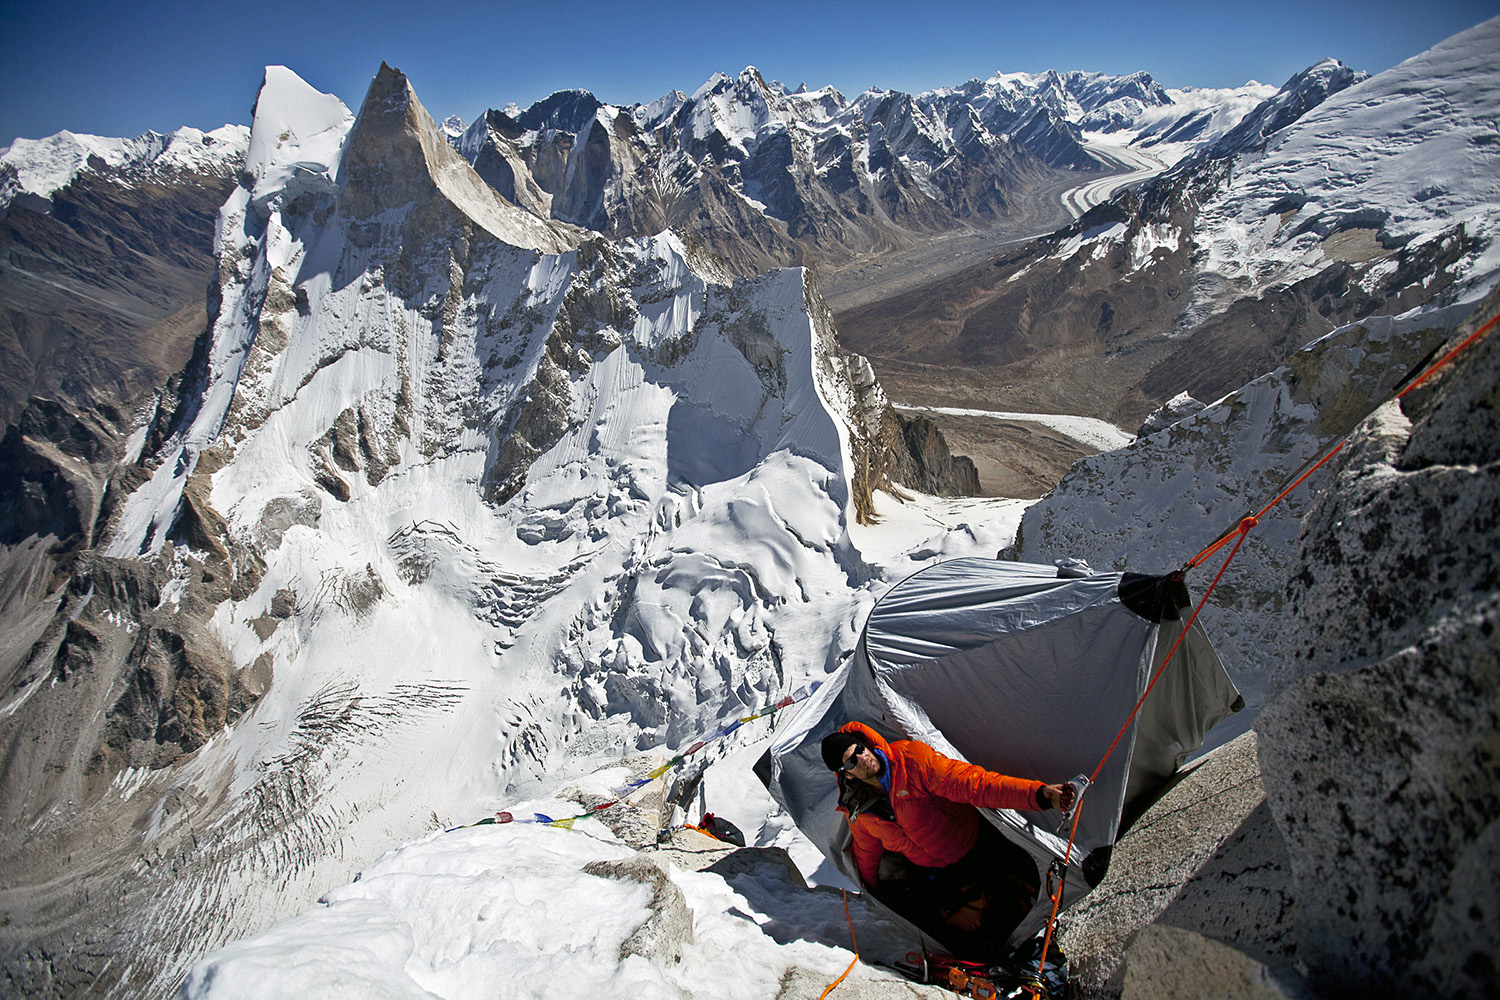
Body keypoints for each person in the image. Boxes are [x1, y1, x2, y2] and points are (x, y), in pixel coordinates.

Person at [822, 722, 1075, 955]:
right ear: (847, 775)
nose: (863, 758)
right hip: (937, 872)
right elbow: (867, 852)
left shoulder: (912, 762)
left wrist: (1040, 795)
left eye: (860, 749)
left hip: (975, 846)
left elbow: (976, 785)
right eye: (852, 762)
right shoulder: (860, 812)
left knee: (1012, 898)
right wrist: (872, 891)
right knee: (972, 927)